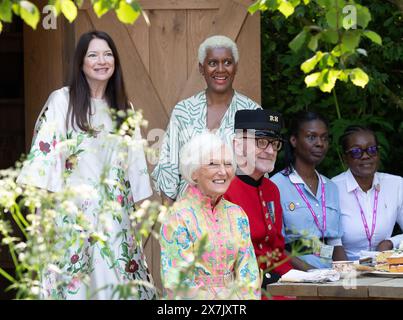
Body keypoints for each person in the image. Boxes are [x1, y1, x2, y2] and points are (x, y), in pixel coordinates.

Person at [17, 31, 156, 299]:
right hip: (71, 221)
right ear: (80, 62)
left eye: (107, 54)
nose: (101, 61)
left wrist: (137, 235)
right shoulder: (62, 101)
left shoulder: (124, 107)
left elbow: (136, 174)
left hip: (115, 224)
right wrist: (40, 225)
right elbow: (42, 166)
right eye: (93, 55)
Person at [152, 35, 261, 206]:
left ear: (236, 67)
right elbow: (168, 166)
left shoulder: (252, 112)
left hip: (236, 214)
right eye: (212, 63)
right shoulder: (184, 111)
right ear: (201, 68)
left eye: (227, 62)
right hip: (188, 214)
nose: (220, 69)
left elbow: (259, 171)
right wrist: (169, 218)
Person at [159, 132, 261, 299]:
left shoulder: (237, 214)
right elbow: (178, 283)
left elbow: (248, 274)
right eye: (213, 164)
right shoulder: (178, 217)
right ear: (193, 173)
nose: (223, 172)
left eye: (228, 164)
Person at [224, 109, 293, 290]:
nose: (270, 150)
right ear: (238, 145)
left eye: (275, 143)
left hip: (276, 285)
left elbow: (276, 251)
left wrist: (298, 279)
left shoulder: (271, 190)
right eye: (261, 142)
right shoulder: (222, 189)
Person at [271, 111, 347, 270]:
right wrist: (311, 274)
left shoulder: (331, 187)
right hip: (296, 277)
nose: (320, 143)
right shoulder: (276, 185)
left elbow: (335, 243)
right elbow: (276, 246)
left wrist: (347, 279)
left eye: (324, 138)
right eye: (311, 137)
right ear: (293, 140)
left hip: (330, 274)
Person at [332, 125, 403, 260]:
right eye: (356, 152)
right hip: (347, 271)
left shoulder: (396, 184)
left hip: (385, 268)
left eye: (372, 150)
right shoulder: (333, 189)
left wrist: (391, 242)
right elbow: (332, 243)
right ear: (345, 157)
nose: (365, 156)